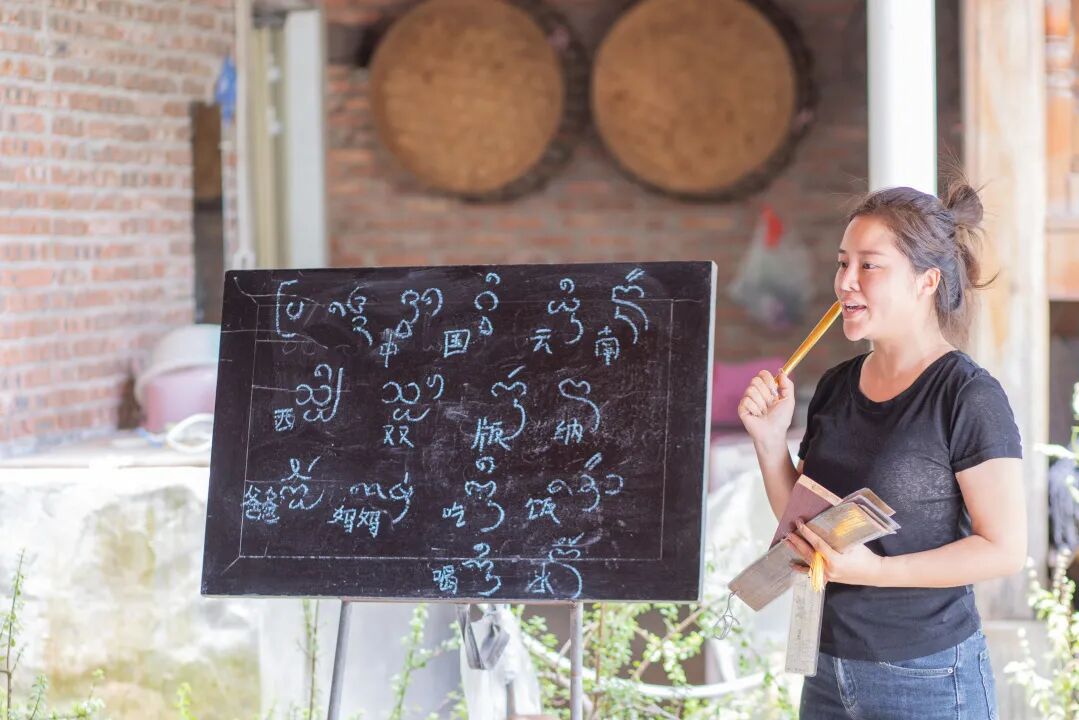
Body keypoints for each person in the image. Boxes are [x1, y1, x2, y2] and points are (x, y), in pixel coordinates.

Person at [737, 180, 1025, 719]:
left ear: (926, 281)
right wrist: (770, 441)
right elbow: (807, 526)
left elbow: (1004, 549)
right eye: (842, 263)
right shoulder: (835, 385)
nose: (845, 281)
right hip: (826, 666)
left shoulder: (968, 395)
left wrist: (874, 572)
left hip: (928, 675)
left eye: (869, 265)